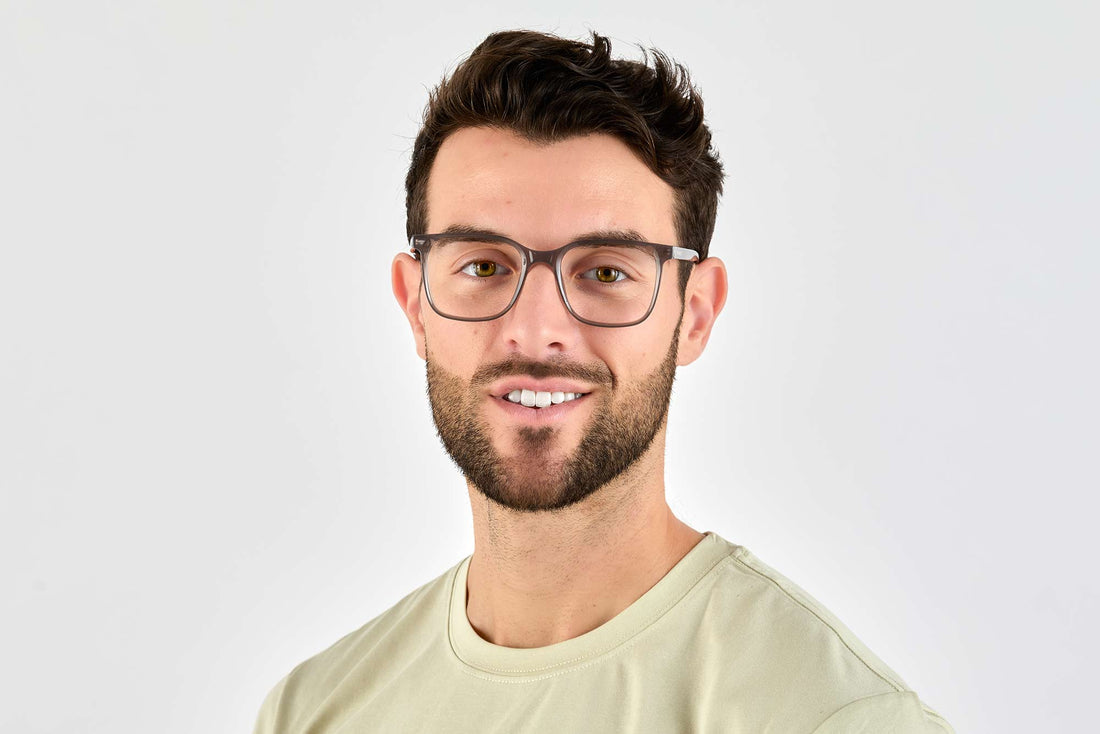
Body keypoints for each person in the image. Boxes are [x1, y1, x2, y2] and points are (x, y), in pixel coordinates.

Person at [253, 30, 954, 733]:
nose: (535, 329)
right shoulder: (314, 711)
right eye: (484, 266)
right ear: (416, 305)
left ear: (695, 314)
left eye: (607, 272)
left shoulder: (828, 716)